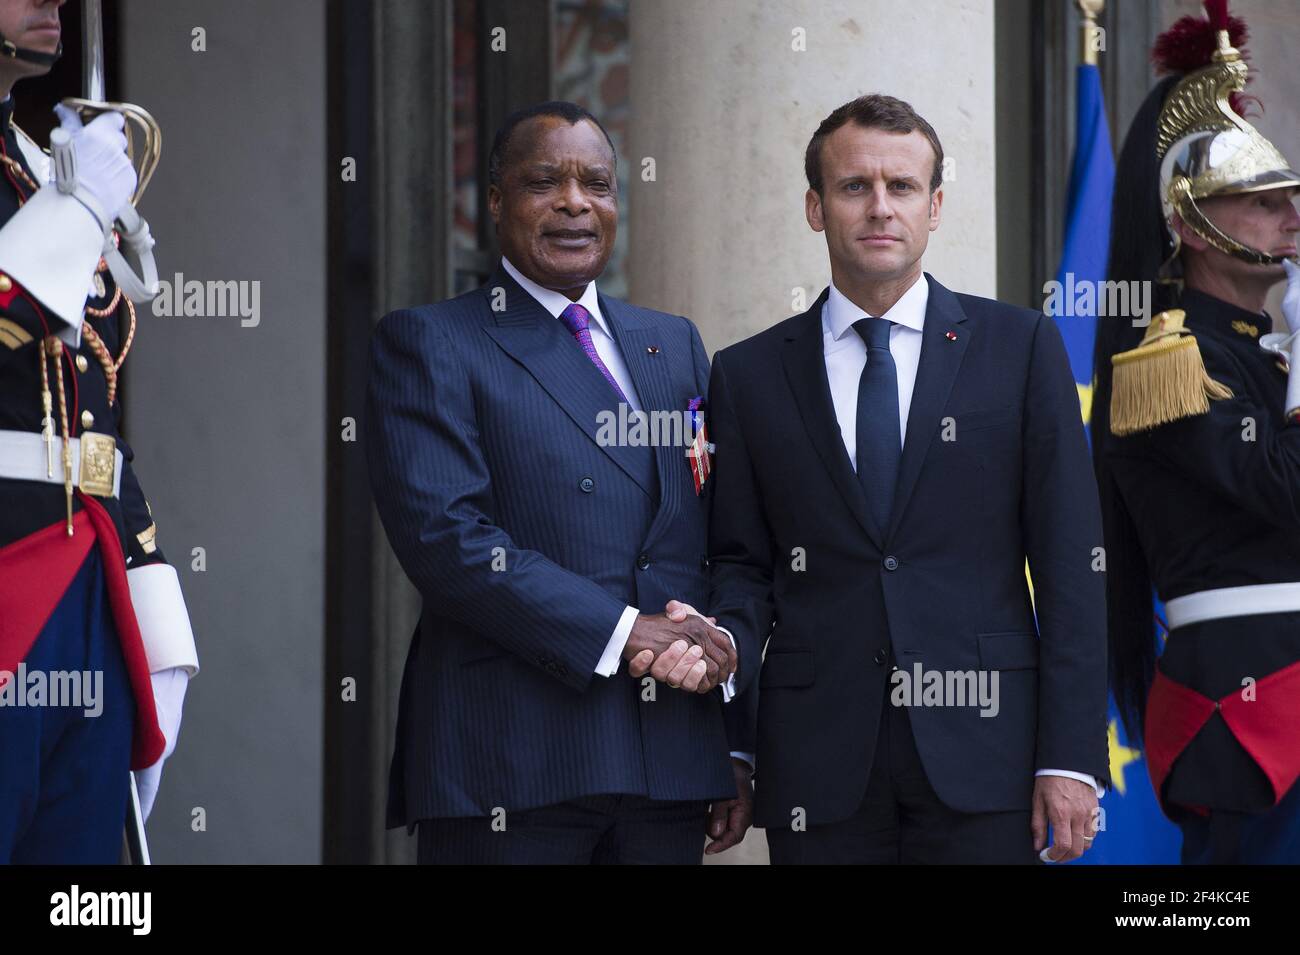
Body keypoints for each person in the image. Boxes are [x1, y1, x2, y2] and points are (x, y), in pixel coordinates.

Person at [705, 93, 1108, 864]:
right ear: (816, 208)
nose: (880, 207)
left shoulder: (1020, 347)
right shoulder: (749, 373)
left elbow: (1071, 566)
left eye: (903, 187)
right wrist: (735, 747)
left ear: (936, 206)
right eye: (855, 187)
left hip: (989, 753)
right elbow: (739, 569)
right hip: (819, 761)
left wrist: (1069, 756)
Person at [366, 101, 752, 864]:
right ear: (497, 201)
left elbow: (727, 536)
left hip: (667, 759)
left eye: (597, 184)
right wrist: (625, 631)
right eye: (545, 181)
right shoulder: (433, 340)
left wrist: (722, 659)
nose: (576, 202)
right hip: (514, 761)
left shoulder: (671, 343)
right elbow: (450, 541)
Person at [1092, 0, 1300, 864]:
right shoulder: (1166, 363)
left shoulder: (1273, 354)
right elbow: (1283, 495)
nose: (1291, 215)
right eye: (1261, 201)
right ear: (1189, 223)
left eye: (1291, 196)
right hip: (1249, 709)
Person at [0, 0, 196, 863]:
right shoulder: (58, 189)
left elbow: (94, 397)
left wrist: (145, 564)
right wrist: (73, 214)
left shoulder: (37, 164)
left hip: (86, 567)